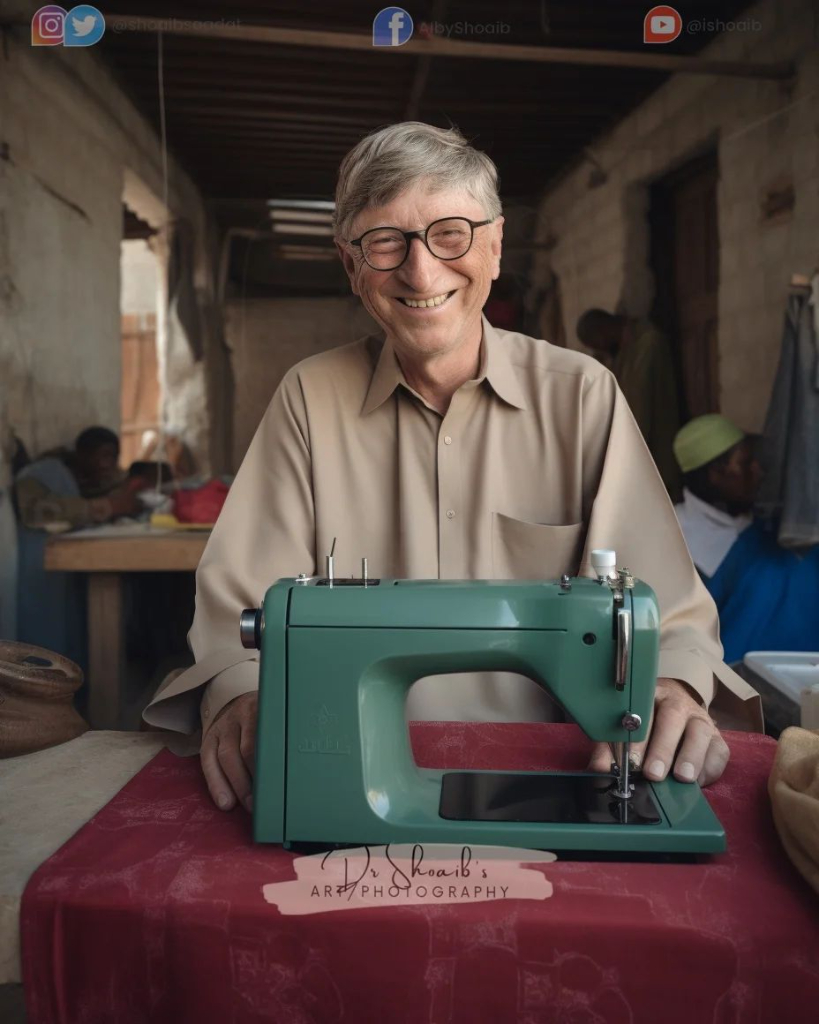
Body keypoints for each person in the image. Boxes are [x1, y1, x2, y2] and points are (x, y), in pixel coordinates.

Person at [143, 122, 761, 813]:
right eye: (385, 242)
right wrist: (243, 692)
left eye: (451, 233)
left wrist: (672, 688)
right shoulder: (309, 400)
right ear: (351, 267)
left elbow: (663, 610)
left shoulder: (580, 396)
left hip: (557, 773)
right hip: (346, 766)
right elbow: (242, 611)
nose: (420, 271)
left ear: (494, 247)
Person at [674, 414, 819, 663]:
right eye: (745, 463)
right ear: (715, 474)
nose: (757, 471)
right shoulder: (676, 537)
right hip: (734, 684)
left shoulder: (775, 526)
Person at [14, 427, 146, 664]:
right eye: (102, 456)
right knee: (42, 644)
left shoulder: (84, 480)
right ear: (81, 453)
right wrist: (107, 507)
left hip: (63, 576)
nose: (107, 464)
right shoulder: (46, 471)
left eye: (112, 457)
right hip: (38, 574)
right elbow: (33, 510)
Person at [576, 309, 682, 499]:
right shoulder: (622, 353)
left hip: (655, 444)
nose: (598, 350)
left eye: (595, 344)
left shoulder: (648, 344)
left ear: (603, 331)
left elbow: (640, 403)